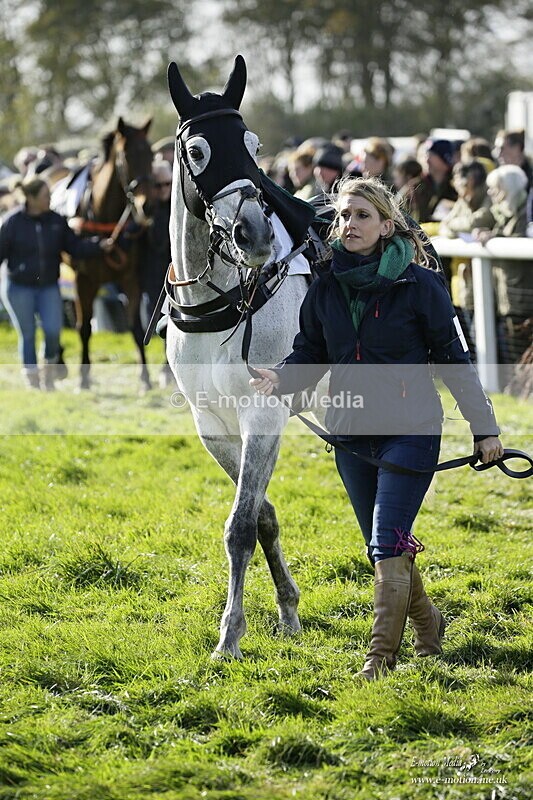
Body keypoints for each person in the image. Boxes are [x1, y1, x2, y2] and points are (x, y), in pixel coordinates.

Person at [250, 176, 502, 680]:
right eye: (343, 216)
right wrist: (281, 376)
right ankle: (429, 627)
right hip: (349, 434)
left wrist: (484, 430)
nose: (350, 224)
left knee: (387, 542)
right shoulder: (325, 289)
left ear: (388, 226)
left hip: (411, 431)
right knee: (383, 546)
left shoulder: (422, 286)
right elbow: (312, 354)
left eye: (362, 216)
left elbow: (455, 362)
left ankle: (379, 659)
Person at [0, 177, 113, 389]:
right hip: (18, 288)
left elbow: (75, 246)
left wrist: (99, 245)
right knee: (28, 333)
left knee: (53, 331)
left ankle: (49, 371)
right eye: (46, 196)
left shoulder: (56, 221)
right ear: (31, 199)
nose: (50, 200)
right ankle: (33, 379)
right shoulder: (12, 222)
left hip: (48, 286)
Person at [473, 164, 532, 373]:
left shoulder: (526, 211)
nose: (490, 193)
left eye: (495, 188)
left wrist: (494, 237)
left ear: (509, 188)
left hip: (523, 300)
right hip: (507, 298)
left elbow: (520, 240)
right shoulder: (502, 212)